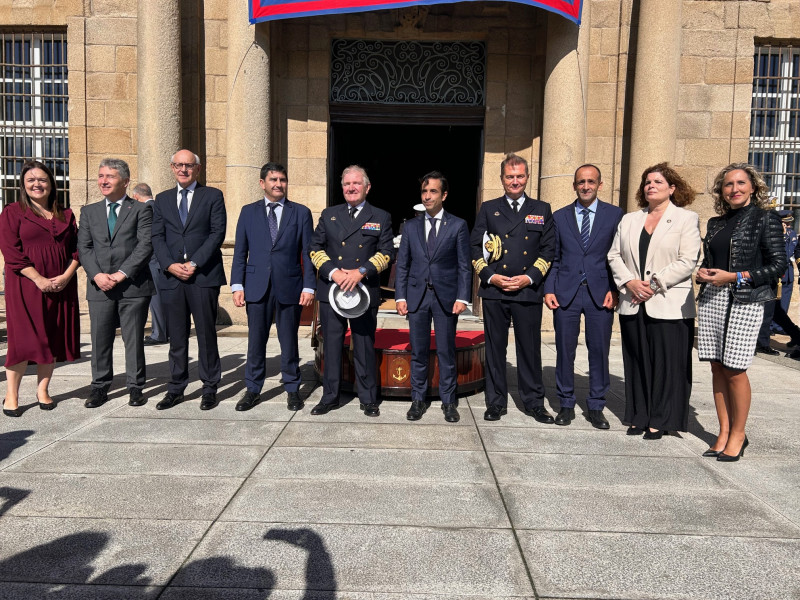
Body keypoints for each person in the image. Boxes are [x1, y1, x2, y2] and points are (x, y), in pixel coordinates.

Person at [696, 163, 785, 461]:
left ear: (753, 187)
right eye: (728, 185)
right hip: (712, 298)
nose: (734, 189)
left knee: (735, 368)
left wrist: (734, 277)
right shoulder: (715, 223)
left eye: (740, 183)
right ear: (721, 191)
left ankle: (739, 433)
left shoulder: (765, 219)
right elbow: (714, 258)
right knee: (717, 367)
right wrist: (703, 272)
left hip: (746, 299)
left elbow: (777, 266)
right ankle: (722, 432)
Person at [608, 163, 701, 439]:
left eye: (658, 182)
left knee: (667, 363)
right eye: (647, 182)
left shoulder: (686, 218)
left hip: (669, 301)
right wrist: (629, 282)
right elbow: (614, 256)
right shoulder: (629, 220)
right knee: (637, 360)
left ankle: (660, 419)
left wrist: (654, 283)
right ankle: (638, 415)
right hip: (633, 299)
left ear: (672, 188)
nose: (651, 186)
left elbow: (688, 260)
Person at [470, 153, 555, 422]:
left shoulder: (542, 209)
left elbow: (549, 249)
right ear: (502, 179)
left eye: (519, 176)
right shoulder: (488, 208)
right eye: (510, 176)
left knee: (529, 349)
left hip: (527, 290)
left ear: (527, 177)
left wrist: (529, 277)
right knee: (495, 349)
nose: (515, 181)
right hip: (495, 288)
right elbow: (474, 247)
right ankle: (496, 402)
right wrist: (490, 276)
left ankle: (533, 402)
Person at [308, 165, 393, 417]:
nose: (351, 188)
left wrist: (360, 272)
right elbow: (315, 247)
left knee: (364, 344)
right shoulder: (329, 214)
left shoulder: (380, 216)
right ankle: (330, 397)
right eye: (346, 184)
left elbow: (387, 253)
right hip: (332, 290)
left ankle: (368, 398)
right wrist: (334, 273)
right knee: (332, 345)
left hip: (363, 289)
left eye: (356, 184)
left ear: (367, 187)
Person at [230, 162, 315, 412]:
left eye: (282, 180)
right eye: (273, 180)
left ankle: (292, 388)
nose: (278, 184)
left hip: (290, 286)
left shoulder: (300, 212)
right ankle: (253, 389)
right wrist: (237, 285)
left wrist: (309, 287)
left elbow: (308, 253)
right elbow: (240, 252)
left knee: (289, 342)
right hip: (256, 286)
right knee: (256, 342)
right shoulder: (248, 212)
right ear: (262, 183)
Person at [543, 164, 622, 429]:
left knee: (598, 351)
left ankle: (596, 406)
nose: (585, 186)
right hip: (566, 292)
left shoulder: (614, 215)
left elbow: (618, 257)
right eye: (580, 182)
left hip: (601, 293)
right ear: (574, 185)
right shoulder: (560, 216)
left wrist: (615, 289)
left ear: (600, 184)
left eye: (591, 181)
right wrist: (549, 289)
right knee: (565, 351)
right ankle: (565, 404)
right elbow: (553, 258)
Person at [0, 161, 80, 416]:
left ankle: (43, 390)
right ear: (23, 185)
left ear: (51, 183)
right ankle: (11, 394)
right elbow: (11, 253)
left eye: (42, 179)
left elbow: (77, 251)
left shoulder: (66, 214)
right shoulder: (12, 212)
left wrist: (66, 277)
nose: (37, 184)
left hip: (60, 285)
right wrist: (39, 279)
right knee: (22, 341)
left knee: (52, 335)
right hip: (25, 285)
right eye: (31, 180)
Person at [151, 149, 227, 410]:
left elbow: (217, 233)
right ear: (172, 167)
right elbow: (157, 237)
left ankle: (209, 387)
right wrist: (171, 265)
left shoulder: (213, 196)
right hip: (172, 278)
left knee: (206, 333)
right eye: (178, 165)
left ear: (198, 168)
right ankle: (176, 386)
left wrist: (193, 263)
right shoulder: (162, 199)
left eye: (189, 166)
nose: (183, 170)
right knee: (177, 335)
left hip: (203, 275)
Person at [395, 171, 472, 423]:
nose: (427, 196)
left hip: (446, 298)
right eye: (424, 192)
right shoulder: (411, 226)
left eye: (433, 192)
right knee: (418, 351)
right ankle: (418, 399)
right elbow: (403, 264)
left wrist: (463, 297)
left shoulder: (458, 225)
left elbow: (464, 265)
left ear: (444, 195)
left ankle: (449, 401)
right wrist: (400, 296)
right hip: (416, 297)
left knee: (446, 351)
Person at [77, 159, 155, 408]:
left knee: (133, 339)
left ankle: (135, 387)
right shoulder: (89, 212)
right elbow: (84, 247)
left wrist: (121, 274)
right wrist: (97, 275)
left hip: (132, 286)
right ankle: (99, 387)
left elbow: (145, 246)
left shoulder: (141, 210)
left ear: (125, 181)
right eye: (101, 176)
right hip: (99, 286)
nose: (103, 181)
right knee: (100, 339)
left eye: (110, 176)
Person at [754, 210, 800, 355]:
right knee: (771, 310)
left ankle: (764, 342)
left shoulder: (785, 234)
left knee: (774, 310)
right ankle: (763, 341)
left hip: (777, 275)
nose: (787, 225)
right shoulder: (770, 233)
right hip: (767, 275)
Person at [132, 183, 168, 346]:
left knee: (156, 298)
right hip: (162, 259)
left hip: (152, 259)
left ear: (136, 197)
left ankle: (159, 333)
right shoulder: (160, 207)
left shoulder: (146, 209)